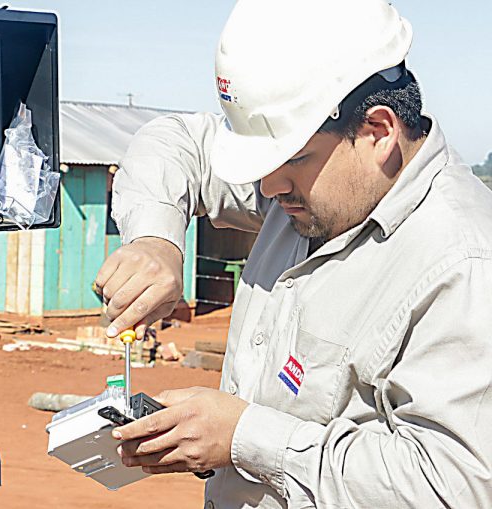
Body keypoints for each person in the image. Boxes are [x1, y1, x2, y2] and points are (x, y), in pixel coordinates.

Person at [93, 0, 492, 507]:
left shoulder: (464, 266)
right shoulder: (314, 188)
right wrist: (155, 240)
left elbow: (453, 487)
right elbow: (176, 143)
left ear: (379, 131)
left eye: (292, 160)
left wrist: (245, 439)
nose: (267, 185)